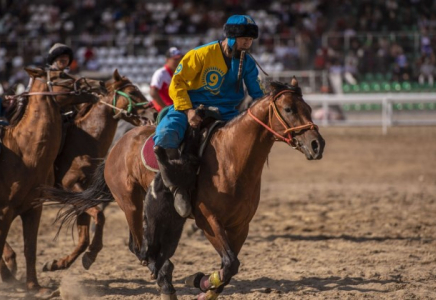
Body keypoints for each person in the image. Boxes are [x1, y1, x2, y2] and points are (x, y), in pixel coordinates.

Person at [153, 15, 266, 218]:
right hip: (191, 105)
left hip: (227, 111)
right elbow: (176, 83)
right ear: (231, 37)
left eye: (250, 39)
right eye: (244, 38)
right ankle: (176, 188)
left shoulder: (247, 62)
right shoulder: (201, 54)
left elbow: (256, 93)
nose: (248, 42)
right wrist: (188, 111)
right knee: (166, 135)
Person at [149, 47, 183, 112]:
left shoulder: (180, 73)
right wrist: (165, 108)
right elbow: (153, 92)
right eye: (175, 59)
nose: (178, 62)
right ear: (167, 60)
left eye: (180, 59)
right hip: (162, 111)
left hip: (175, 109)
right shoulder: (161, 73)